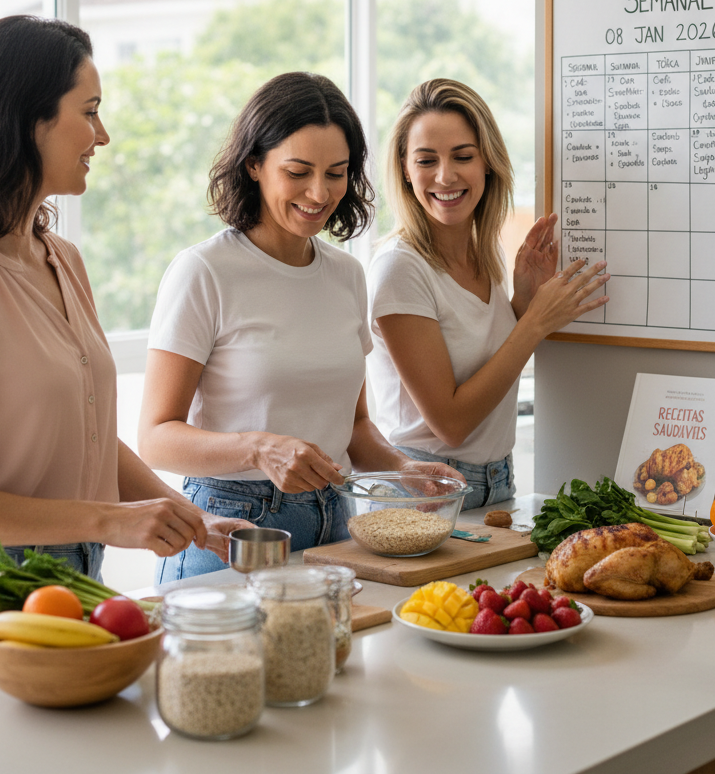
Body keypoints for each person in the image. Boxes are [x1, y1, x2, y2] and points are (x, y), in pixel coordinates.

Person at [0, 16, 250, 640]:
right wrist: (106, 521)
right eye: (89, 111)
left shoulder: (61, 258)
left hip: (72, 579)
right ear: (26, 119)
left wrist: (190, 519)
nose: (103, 135)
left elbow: (88, 436)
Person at [137, 71, 462, 583]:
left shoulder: (347, 275)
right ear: (254, 165)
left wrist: (402, 469)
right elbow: (155, 437)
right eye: (298, 171)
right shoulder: (204, 271)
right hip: (233, 525)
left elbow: (353, 425)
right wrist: (258, 448)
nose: (319, 192)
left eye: (336, 173)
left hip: (336, 520)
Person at [367, 78, 608, 509]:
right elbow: (451, 423)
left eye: (463, 156)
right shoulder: (399, 268)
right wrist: (535, 323)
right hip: (424, 490)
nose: (445, 176)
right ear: (405, 168)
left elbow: (482, 360)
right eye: (426, 160)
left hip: (498, 481)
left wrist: (522, 303)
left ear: (488, 164)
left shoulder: (486, 252)